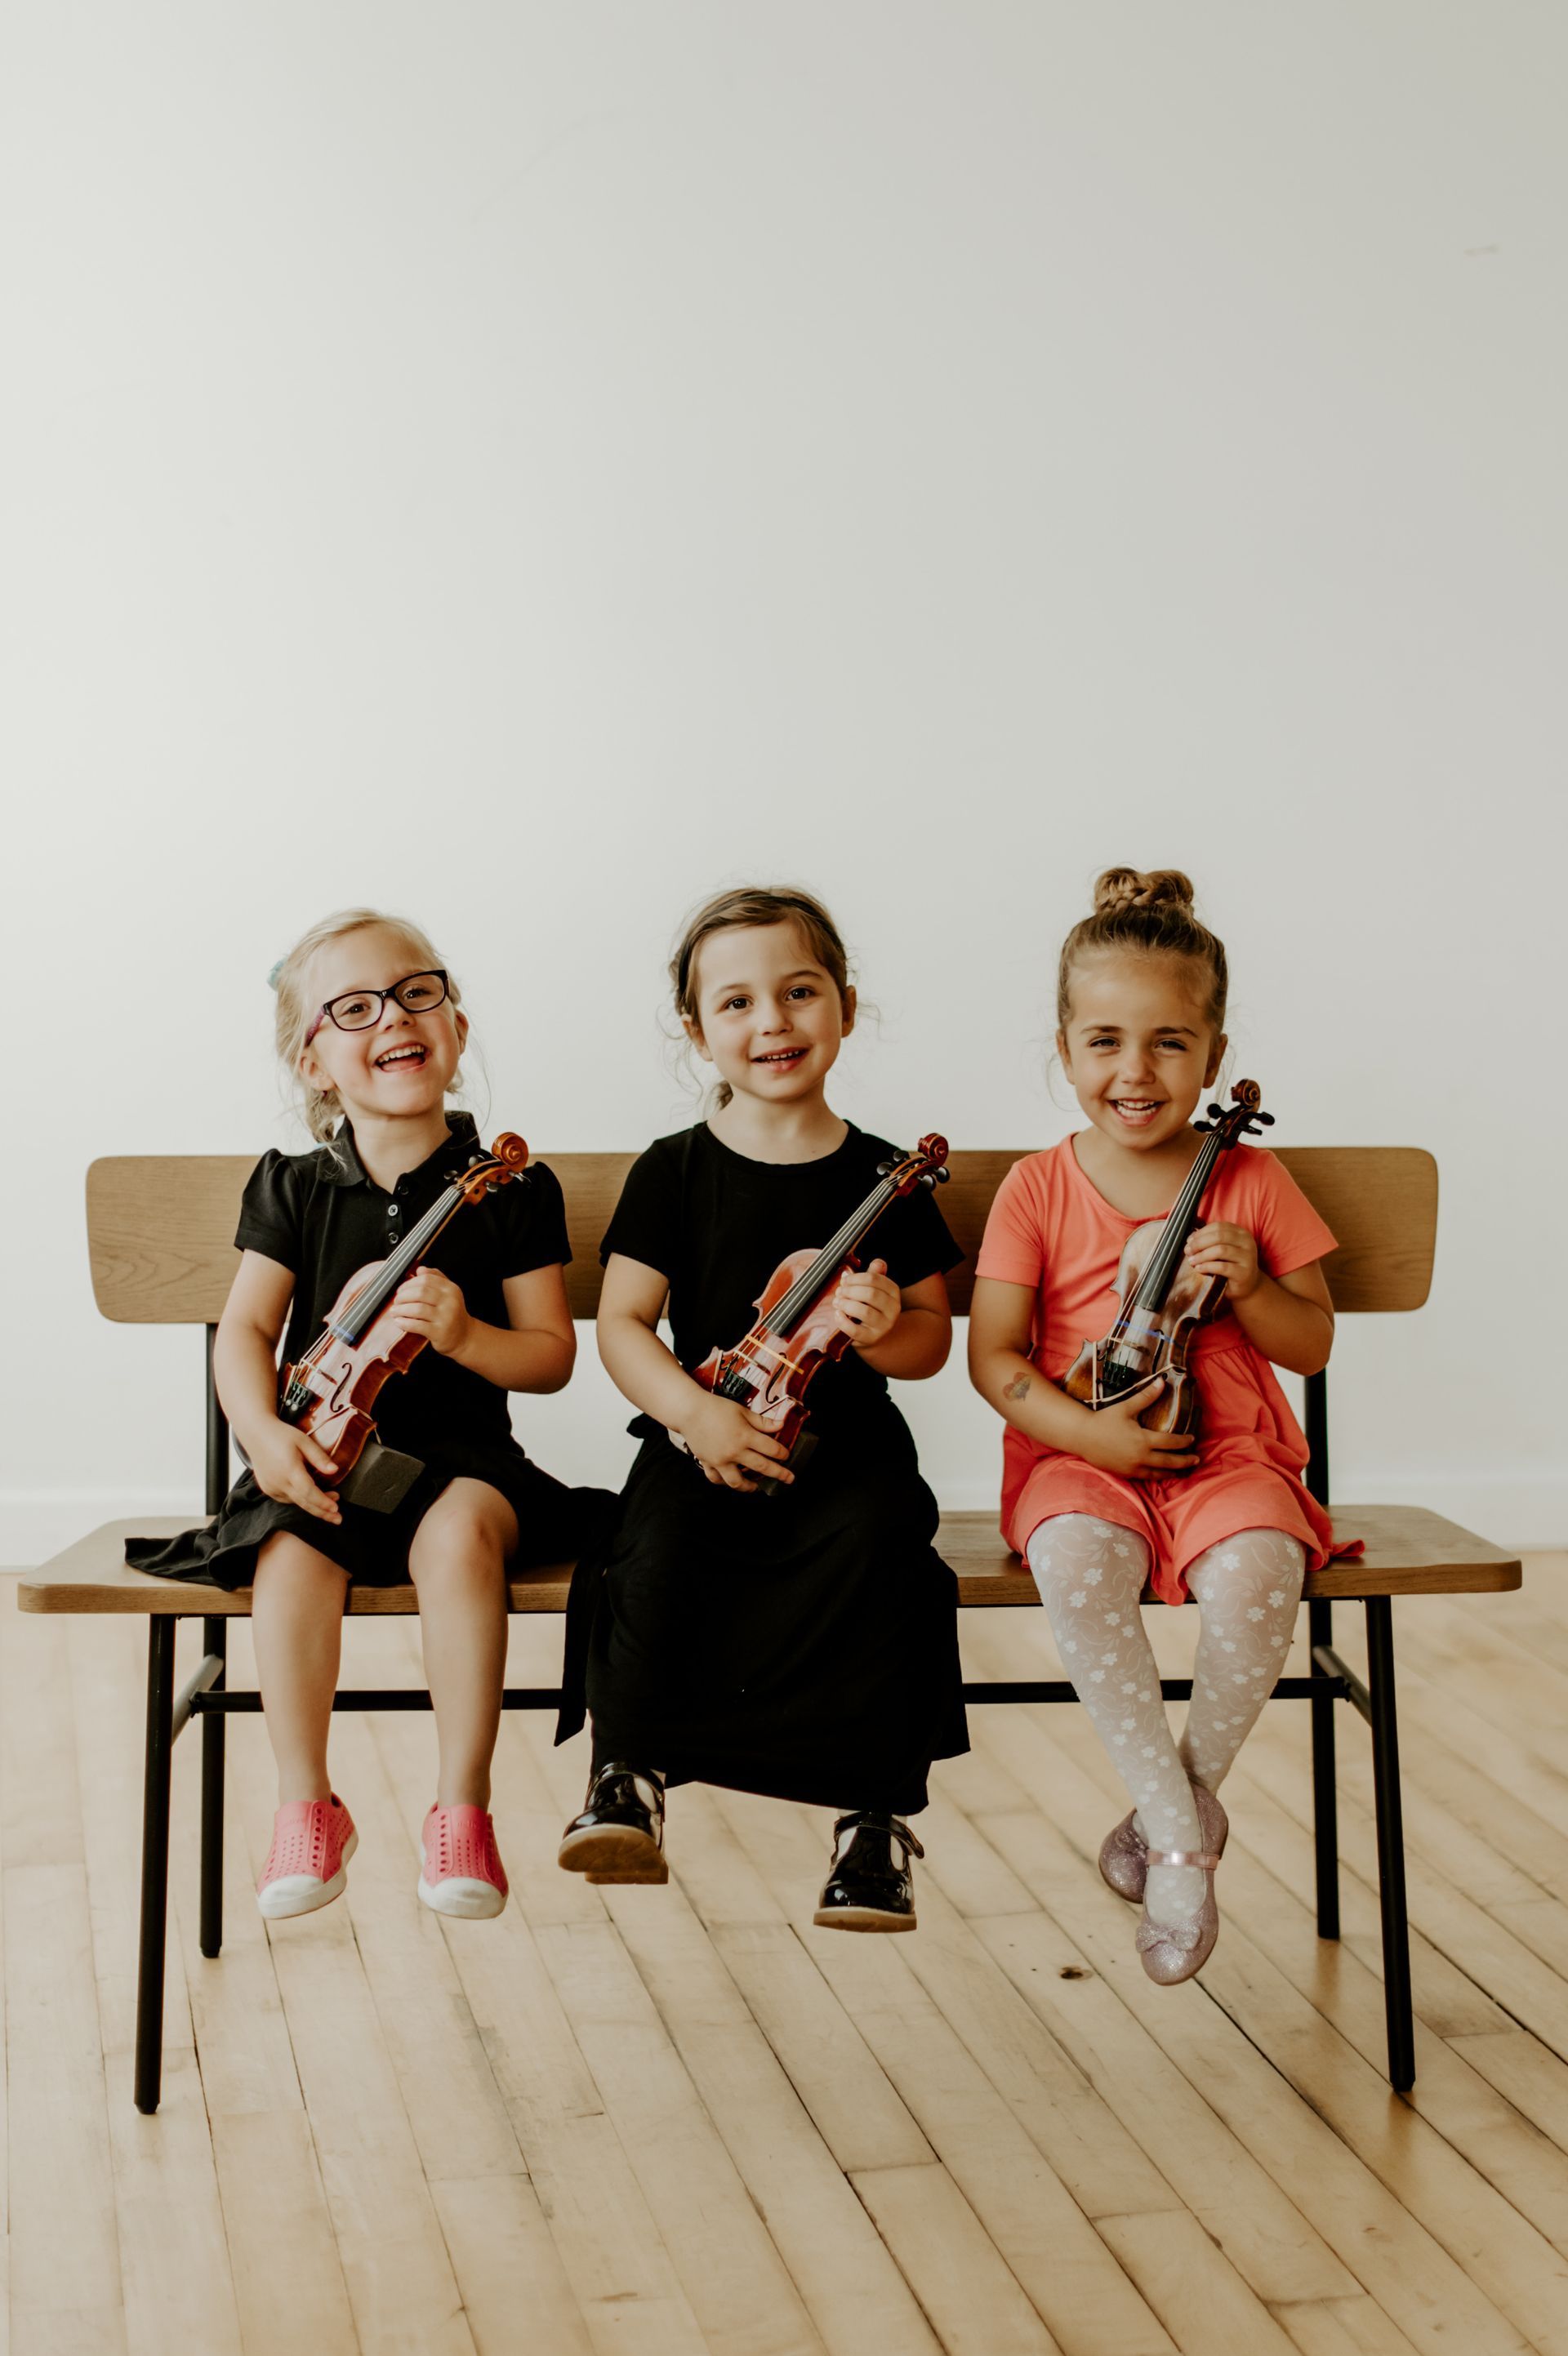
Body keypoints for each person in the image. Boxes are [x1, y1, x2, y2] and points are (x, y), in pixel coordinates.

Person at [128, 908, 614, 1922]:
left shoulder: (510, 1188)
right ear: (313, 1062)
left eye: (414, 991)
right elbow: (246, 1333)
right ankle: (307, 1803)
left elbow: (552, 1357)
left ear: (457, 1026)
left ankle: (461, 1809)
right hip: (325, 1455)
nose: (391, 1016)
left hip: (466, 1463)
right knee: (290, 1552)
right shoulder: (297, 1186)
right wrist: (265, 1437)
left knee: (463, 1527)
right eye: (352, 1007)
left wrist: (469, 1337)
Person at [556, 884, 968, 1929]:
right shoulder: (675, 1168)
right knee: (649, 1543)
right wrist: (693, 1417)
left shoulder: (887, 1177)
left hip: (847, 1441)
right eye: (736, 1003)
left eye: (798, 991)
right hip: (707, 1424)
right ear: (697, 1032)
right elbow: (622, 1324)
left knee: (885, 1546)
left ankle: (871, 1820)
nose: (773, 1021)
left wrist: (882, 1326)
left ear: (845, 1004)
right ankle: (627, 1775)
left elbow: (929, 1339)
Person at [968, 867, 1341, 1983]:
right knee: (1077, 1563)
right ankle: (1181, 1841)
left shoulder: (1253, 1179)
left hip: (1227, 1450)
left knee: (1264, 1567)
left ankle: (1172, 1803)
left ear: (1215, 1058)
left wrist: (1254, 1286)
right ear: (1066, 1045)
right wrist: (1097, 1442)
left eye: (1170, 1044)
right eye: (1106, 1041)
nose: (1136, 1072)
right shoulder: (1038, 1186)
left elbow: (1311, 1344)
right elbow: (994, 1356)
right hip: (1082, 1451)